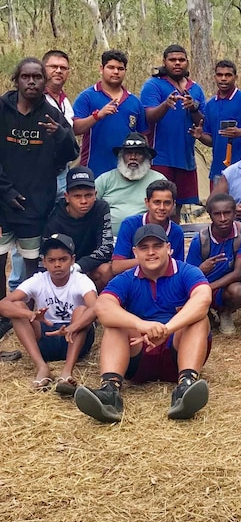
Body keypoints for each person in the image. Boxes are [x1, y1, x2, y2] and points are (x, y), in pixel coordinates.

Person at [74, 224, 212, 423]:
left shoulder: (186, 272)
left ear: (169, 248)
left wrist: (167, 329)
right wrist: (141, 325)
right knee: (114, 322)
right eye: (144, 247)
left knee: (199, 318)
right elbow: (102, 307)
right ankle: (110, 392)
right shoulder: (126, 279)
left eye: (157, 245)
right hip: (138, 353)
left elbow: (203, 299)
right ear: (135, 252)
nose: (151, 252)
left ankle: (186, 385)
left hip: (177, 351)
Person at [0, 57, 78, 298]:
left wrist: (60, 135)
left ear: (45, 82)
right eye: (26, 77)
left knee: (32, 263)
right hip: (2, 200)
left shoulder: (52, 114)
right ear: (16, 80)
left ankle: (27, 310)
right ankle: (3, 310)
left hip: (34, 203)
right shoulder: (2, 109)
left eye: (37, 77)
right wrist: (6, 190)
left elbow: (71, 152)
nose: (31, 82)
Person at [0, 234, 97, 393]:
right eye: (51, 260)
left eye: (63, 259)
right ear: (44, 262)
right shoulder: (38, 280)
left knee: (82, 310)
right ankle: (42, 367)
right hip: (46, 335)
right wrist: (29, 315)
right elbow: (3, 305)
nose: (57, 265)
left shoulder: (81, 280)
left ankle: (67, 371)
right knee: (17, 306)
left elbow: (97, 307)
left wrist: (74, 326)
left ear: (72, 260)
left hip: (74, 338)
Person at [140, 44, 206, 207]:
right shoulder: (153, 85)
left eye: (181, 60)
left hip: (186, 158)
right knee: (159, 205)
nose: (177, 63)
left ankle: (173, 233)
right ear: (164, 62)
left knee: (177, 206)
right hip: (160, 158)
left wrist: (193, 107)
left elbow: (204, 123)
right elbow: (148, 117)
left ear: (187, 62)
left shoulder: (195, 89)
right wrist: (165, 105)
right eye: (172, 60)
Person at [72, 49, 148, 177]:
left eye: (120, 68)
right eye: (111, 67)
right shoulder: (87, 97)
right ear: (101, 69)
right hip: (94, 169)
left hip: (127, 172)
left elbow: (143, 136)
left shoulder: (134, 102)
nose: (116, 72)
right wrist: (97, 116)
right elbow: (75, 129)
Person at [185, 193, 241, 335]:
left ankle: (224, 312)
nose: (223, 219)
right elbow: (188, 277)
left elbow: (237, 273)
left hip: (224, 285)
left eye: (227, 213)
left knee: (239, 292)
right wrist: (201, 270)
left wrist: (208, 289)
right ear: (209, 215)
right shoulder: (201, 240)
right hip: (202, 285)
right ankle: (205, 314)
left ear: (235, 212)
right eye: (217, 214)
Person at [43, 167, 114, 290]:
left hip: (91, 266)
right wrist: (66, 268)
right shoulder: (54, 216)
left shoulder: (101, 208)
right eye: (77, 196)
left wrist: (78, 266)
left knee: (106, 270)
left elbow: (106, 248)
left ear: (95, 195)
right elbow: (46, 254)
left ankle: (98, 303)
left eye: (88, 195)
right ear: (67, 196)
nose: (83, 201)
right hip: (62, 269)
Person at [192, 59, 241, 182]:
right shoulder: (211, 105)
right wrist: (200, 136)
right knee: (217, 201)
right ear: (215, 77)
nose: (223, 79)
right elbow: (211, 141)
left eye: (228, 75)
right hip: (217, 170)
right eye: (220, 75)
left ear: (235, 77)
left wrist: (240, 132)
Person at [94, 132, 167, 235]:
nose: (133, 157)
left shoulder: (158, 180)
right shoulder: (105, 179)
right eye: (129, 153)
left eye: (139, 153)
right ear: (121, 156)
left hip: (147, 240)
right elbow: (88, 205)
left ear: (146, 157)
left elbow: (168, 210)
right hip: (108, 240)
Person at [111, 179, 185, 274]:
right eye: (157, 202)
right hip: (133, 280)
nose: (162, 208)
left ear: (173, 205)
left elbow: (178, 269)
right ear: (147, 203)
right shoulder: (130, 224)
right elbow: (117, 267)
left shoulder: (176, 231)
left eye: (167, 203)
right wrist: (155, 260)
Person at [42, 50, 74, 194]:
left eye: (63, 68)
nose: (58, 71)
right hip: (41, 173)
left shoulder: (65, 101)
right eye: (53, 67)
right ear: (42, 69)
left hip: (63, 170)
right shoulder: (34, 100)